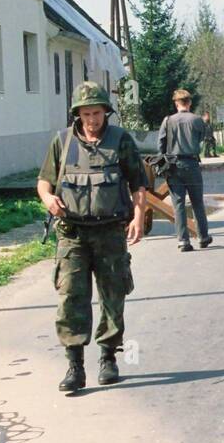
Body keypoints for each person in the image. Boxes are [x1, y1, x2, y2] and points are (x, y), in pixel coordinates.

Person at [37, 81, 148, 393]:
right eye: (86, 113)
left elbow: (139, 183)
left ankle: (109, 357)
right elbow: (44, 182)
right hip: (72, 234)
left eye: (97, 112)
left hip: (111, 231)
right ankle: (75, 366)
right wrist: (48, 200)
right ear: (77, 114)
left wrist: (138, 216)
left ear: (105, 112)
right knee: (72, 297)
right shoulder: (62, 142)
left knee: (113, 296)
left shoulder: (120, 140)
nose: (92, 119)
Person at [158, 89, 212, 252]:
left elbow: (160, 144)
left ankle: (183, 241)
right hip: (192, 164)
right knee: (197, 202)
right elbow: (204, 138)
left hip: (173, 165)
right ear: (189, 103)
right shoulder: (197, 120)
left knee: (178, 204)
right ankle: (203, 237)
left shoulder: (167, 121)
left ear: (176, 103)